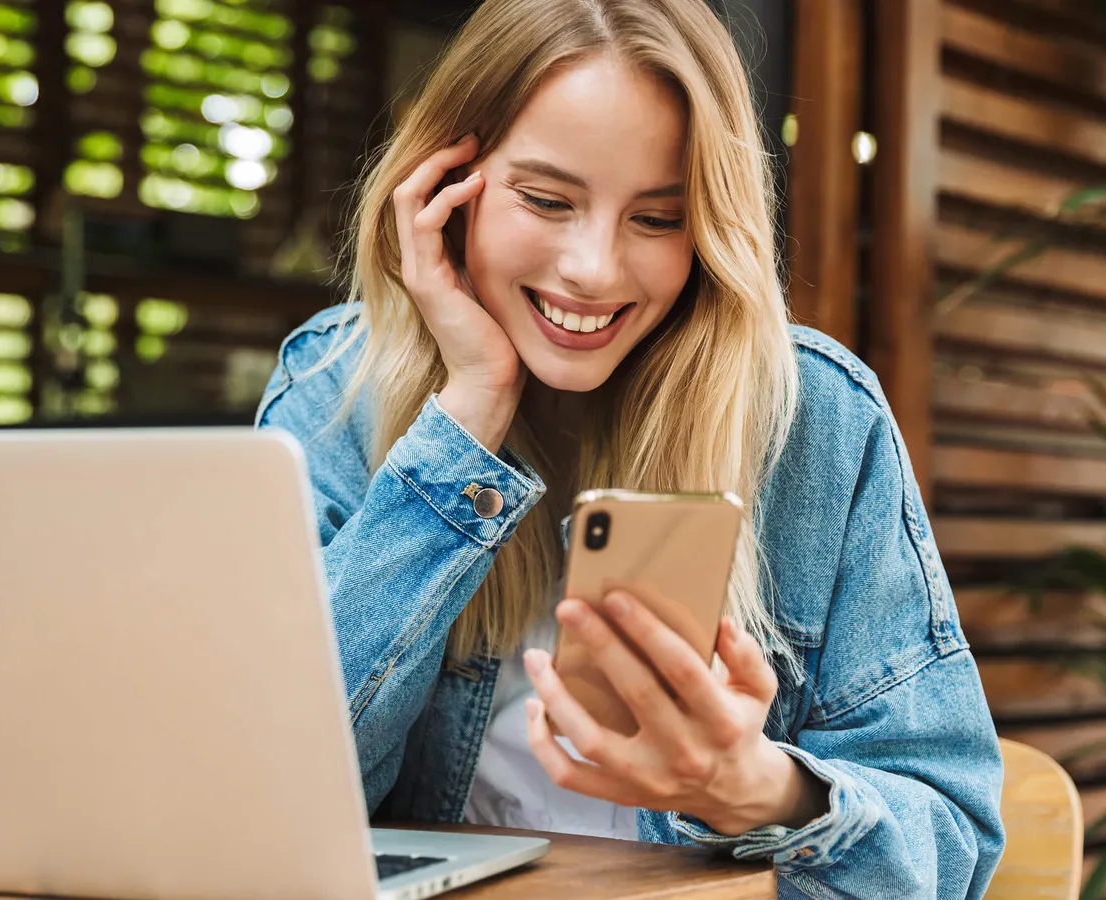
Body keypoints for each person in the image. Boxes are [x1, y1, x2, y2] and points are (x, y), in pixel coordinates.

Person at [256, 0, 1005, 896]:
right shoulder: (335, 389)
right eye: (546, 199)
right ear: (445, 184)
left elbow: (950, 844)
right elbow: (269, 796)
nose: (595, 270)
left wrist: (751, 789)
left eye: (658, 218)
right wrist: (466, 420)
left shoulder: (814, 421)